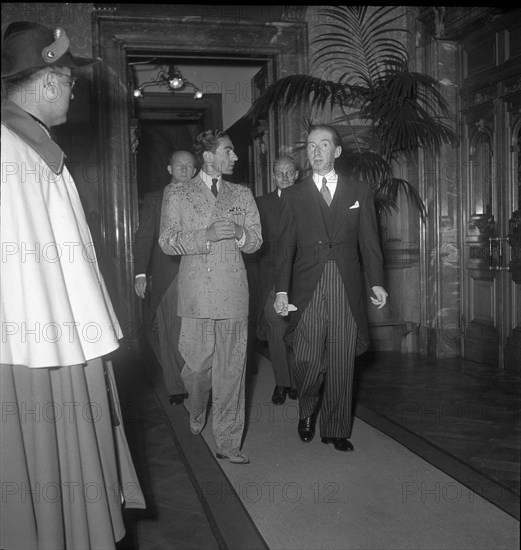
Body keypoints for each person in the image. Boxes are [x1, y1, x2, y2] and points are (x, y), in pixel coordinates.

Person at [0, 21, 145, 550]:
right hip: (32, 355)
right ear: (44, 83)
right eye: (68, 77)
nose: (74, 88)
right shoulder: (8, 151)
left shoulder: (36, 148)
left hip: (60, 343)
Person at [274, 124, 388, 453]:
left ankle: (336, 428)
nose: (317, 151)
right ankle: (308, 409)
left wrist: (377, 282)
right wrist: (282, 290)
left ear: (337, 152)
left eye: (324, 145)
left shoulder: (359, 191)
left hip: (346, 285)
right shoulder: (294, 195)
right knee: (308, 360)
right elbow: (285, 248)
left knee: (341, 359)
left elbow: (370, 242)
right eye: (311, 145)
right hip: (307, 286)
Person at [159, 130, 262, 464]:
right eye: (228, 151)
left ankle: (228, 441)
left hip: (233, 290)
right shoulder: (178, 193)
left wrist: (242, 233)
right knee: (197, 367)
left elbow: (257, 241)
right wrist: (204, 235)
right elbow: (167, 241)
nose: (234, 157)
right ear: (208, 156)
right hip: (197, 293)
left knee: (232, 369)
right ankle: (197, 402)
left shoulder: (242, 194)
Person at [134, 150, 196, 405]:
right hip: (166, 274)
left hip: (199, 273)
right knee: (170, 333)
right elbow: (145, 237)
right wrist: (140, 273)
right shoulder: (154, 199)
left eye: (189, 166)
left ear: (195, 170)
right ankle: (176, 387)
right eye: (179, 165)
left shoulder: (204, 198)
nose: (184, 169)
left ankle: (199, 382)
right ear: (169, 168)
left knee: (197, 333)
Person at [255, 155, 300, 405]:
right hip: (272, 277)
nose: (283, 177)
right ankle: (283, 383)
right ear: (272, 176)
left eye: (288, 172)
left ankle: (297, 379)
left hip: (302, 277)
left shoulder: (309, 201)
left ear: (296, 175)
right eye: (278, 173)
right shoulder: (260, 204)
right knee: (277, 330)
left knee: (299, 331)